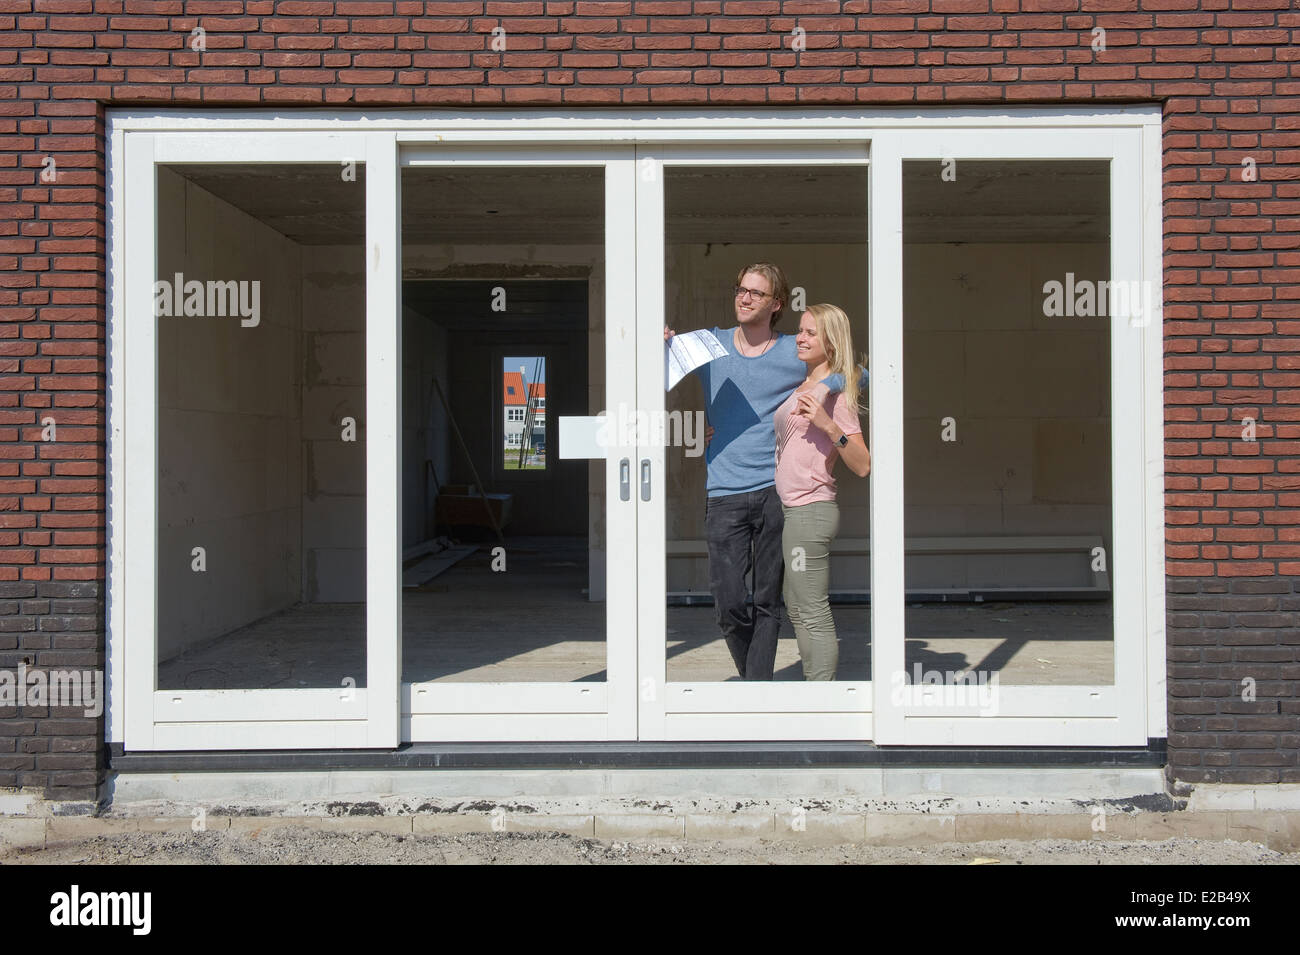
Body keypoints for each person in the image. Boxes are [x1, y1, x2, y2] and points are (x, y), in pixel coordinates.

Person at [666, 263, 865, 681]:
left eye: (756, 293)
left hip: (776, 492)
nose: (744, 297)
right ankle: (755, 679)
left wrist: (826, 388)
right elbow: (649, 369)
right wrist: (661, 345)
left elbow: (856, 370)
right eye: (740, 289)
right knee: (730, 602)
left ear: (776, 304)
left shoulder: (796, 349)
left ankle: (758, 690)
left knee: (767, 601)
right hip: (723, 490)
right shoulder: (710, 345)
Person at [775, 304, 870, 681]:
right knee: (795, 605)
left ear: (831, 342)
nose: (800, 337)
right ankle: (816, 689)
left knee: (811, 609)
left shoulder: (836, 396)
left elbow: (862, 464)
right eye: (800, 330)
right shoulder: (807, 386)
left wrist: (829, 425)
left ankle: (821, 697)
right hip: (793, 512)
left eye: (811, 333)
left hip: (810, 511)